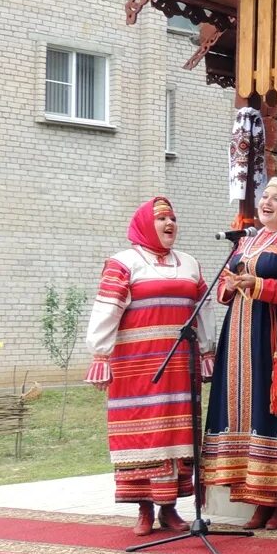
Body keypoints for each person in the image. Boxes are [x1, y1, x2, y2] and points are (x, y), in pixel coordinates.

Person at [85, 197, 215, 536]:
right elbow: (107, 309)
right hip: (136, 367)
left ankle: (170, 507)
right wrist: (100, 354)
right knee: (143, 434)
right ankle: (144, 507)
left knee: (177, 434)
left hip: (178, 367)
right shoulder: (123, 263)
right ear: (144, 223)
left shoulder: (188, 263)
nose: (170, 224)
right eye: (161, 219)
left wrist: (205, 349)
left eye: (173, 218)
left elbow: (203, 309)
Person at [203, 177, 277, 531]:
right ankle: (252, 493)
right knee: (243, 406)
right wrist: (231, 284)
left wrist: (260, 285)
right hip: (239, 331)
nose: (266, 202)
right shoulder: (248, 241)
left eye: (276, 199)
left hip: (275, 334)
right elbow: (226, 279)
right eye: (264, 196)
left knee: (273, 407)